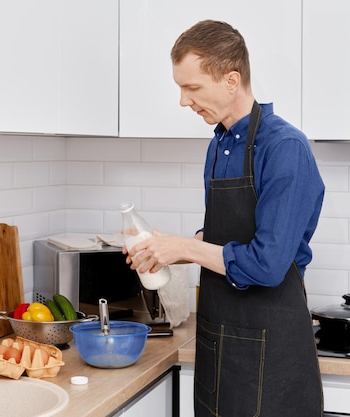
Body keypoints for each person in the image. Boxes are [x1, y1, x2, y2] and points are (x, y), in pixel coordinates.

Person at [125, 20, 325, 416]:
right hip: (220, 345)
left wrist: (187, 248)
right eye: (180, 88)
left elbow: (268, 265)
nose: (184, 101)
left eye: (193, 88)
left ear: (232, 80)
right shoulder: (219, 145)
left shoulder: (285, 148)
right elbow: (229, 233)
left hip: (273, 357)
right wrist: (171, 250)